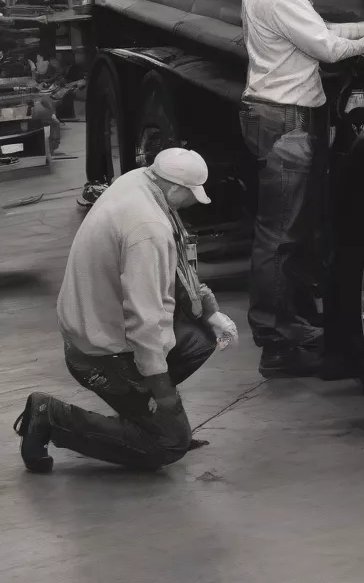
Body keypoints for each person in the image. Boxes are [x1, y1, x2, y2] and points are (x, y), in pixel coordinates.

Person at [14, 148, 238, 473]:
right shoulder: (147, 229)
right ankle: (51, 415)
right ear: (175, 188)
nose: (195, 202)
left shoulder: (140, 181)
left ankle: (137, 409)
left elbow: (176, 265)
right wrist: (163, 394)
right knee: (169, 444)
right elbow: (145, 321)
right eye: (192, 194)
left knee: (200, 337)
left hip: (94, 325)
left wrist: (210, 311)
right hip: (99, 352)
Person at [240, 0, 364, 378]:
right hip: (286, 124)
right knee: (281, 239)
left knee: (290, 233)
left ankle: (293, 327)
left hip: (280, 119)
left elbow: (318, 31)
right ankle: (277, 344)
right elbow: (328, 49)